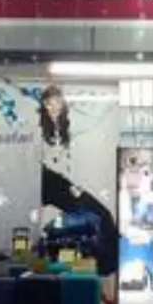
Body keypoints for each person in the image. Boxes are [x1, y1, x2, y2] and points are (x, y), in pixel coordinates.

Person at [38, 85, 120, 278]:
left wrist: (109, 102)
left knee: (102, 216)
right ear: (44, 106)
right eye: (49, 103)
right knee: (99, 216)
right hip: (48, 180)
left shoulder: (67, 127)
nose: (54, 107)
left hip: (64, 183)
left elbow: (89, 121)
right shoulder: (38, 130)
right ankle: (104, 265)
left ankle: (105, 265)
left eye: (58, 103)